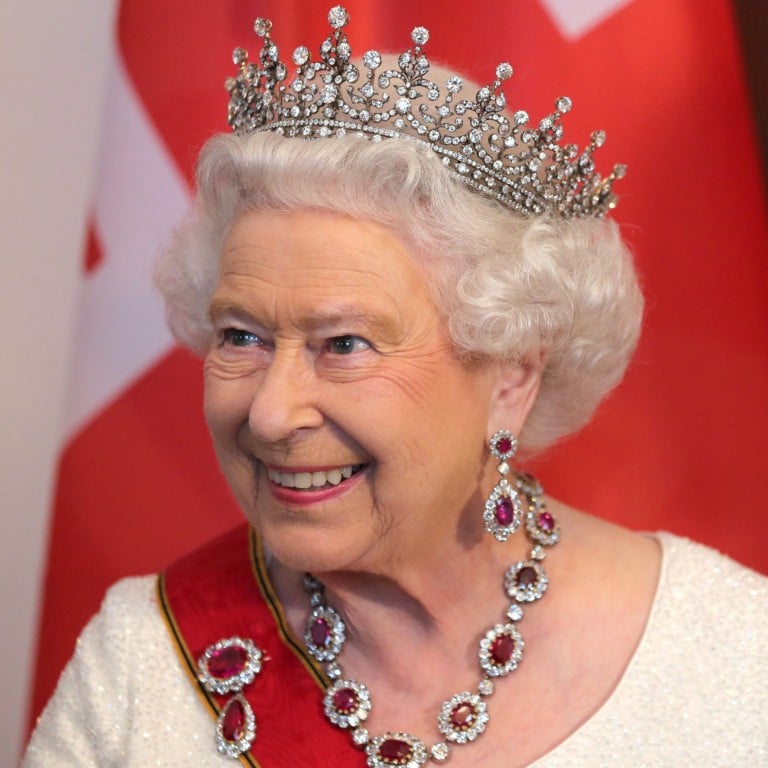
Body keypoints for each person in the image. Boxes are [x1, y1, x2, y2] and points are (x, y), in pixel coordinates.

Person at [23, 6, 767, 767]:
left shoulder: (734, 657)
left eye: (344, 345)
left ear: (512, 375)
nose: (271, 414)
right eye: (241, 336)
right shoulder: (140, 664)